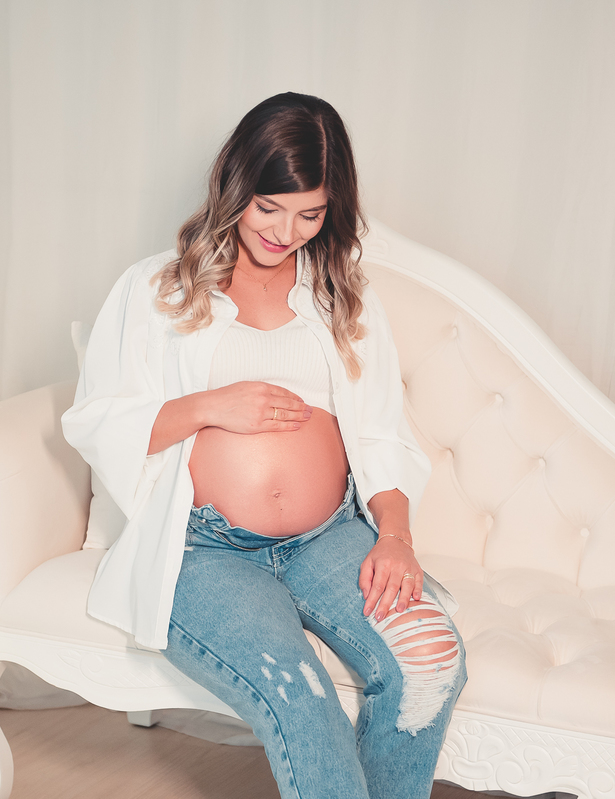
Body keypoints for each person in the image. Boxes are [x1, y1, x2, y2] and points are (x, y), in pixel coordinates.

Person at [62, 92, 465, 799]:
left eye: (310, 214)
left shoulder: (343, 299)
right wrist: (209, 406)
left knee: (430, 660)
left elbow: (380, 431)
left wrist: (396, 537)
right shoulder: (158, 289)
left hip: (329, 535)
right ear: (236, 184)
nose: (285, 232)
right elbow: (97, 420)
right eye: (269, 207)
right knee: (300, 696)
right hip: (204, 547)